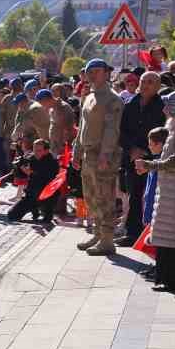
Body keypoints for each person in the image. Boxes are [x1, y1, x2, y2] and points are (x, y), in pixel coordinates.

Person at [138, 90, 175, 292]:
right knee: (172, 238)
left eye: (169, 105)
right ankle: (174, 279)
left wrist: (151, 165)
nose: (164, 109)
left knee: (174, 239)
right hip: (173, 189)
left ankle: (174, 280)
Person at [74, 60, 126, 255]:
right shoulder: (88, 97)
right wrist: (76, 152)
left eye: (97, 71)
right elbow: (82, 126)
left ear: (107, 73)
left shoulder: (113, 99)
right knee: (90, 197)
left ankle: (107, 240)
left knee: (105, 197)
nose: (93, 75)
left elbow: (112, 130)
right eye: (90, 72)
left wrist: (105, 154)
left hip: (103, 155)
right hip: (88, 154)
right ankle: (97, 233)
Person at [119, 70, 164, 244]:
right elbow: (121, 131)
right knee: (134, 194)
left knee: (151, 196)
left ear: (158, 87)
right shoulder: (130, 104)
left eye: (150, 82)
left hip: (152, 159)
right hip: (131, 158)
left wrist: (145, 150)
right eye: (143, 81)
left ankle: (152, 235)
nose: (145, 85)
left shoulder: (161, 106)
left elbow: (163, 133)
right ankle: (132, 233)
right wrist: (132, 149)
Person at [6, 138, 60, 226]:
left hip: (46, 195)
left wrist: (28, 170)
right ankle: (34, 210)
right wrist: (19, 166)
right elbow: (24, 175)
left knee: (46, 219)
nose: (36, 152)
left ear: (46, 151)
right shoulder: (31, 158)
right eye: (34, 149)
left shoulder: (52, 162)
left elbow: (41, 175)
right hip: (31, 194)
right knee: (12, 215)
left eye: (39, 150)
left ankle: (44, 212)